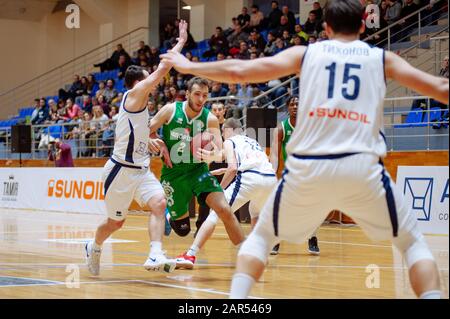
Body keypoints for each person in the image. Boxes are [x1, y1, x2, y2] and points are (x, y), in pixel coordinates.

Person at [161, 0, 448, 299]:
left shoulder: (307, 53)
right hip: (363, 169)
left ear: (325, 28)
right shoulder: (382, 58)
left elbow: (238, 71)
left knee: (260, 240)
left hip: (308, 169)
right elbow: (441, 88)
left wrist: (189, 65)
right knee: (413, 243)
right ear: (363, 25)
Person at [85, 20, 189, 276]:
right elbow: (162, 69)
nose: (151, 85)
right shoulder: (134, 95)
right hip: (119, 171)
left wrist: (151, 141)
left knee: (159, 202)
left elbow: (139, 131)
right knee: (115, 223)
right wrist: (181, 41)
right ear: (137, 84)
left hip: (140, 169)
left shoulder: (139, 106)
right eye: (146, 80)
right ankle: (94, 246)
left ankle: (155, 253)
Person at [148, 77, 245, 247]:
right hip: (173, 174)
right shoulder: (170, 111)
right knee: (183, 230)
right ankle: (169, 214)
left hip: (198, 171)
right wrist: (158, 142)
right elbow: (147, 131)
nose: (201, 99)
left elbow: (221, 152)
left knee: (224, 209)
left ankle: (247, 252)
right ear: (187, 94)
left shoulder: (210, 119)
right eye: (197, 94)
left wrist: (212, 157)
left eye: (205, 95)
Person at [174, 118, 277, 269]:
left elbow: (233, 168)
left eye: (222, 131)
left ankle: (190, 254)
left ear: (229, 130)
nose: (221, 135)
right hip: (270, 179)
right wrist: (214, 158)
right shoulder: (252, 142)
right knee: (255, 213)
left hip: (251, 178)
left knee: (215, 212)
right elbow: (232, 158)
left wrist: (219, 191)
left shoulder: (231, 140)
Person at [269, 96, 320, 256]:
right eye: (292, 104)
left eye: (298, 104)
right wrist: (272, 173)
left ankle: (312, 237)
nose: (295, 106)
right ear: (287, 108)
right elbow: (275, 155)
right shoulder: (281, 128)